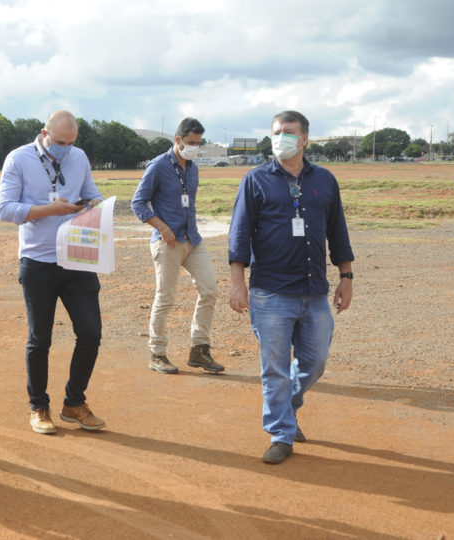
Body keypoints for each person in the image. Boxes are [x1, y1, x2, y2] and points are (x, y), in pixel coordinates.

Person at [228, 110, 354, 465]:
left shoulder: (325, 180)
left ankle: (287, 407)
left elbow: (338, 232)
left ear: (304, 139)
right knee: (275, 367)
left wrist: (346, 277)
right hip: (270, 293)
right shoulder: (255, 180)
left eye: (287, 132)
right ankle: (281, 433)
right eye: (275, 132)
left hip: (314, 292)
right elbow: (239, 235)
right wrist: (238, 283)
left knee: (315, 363)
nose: (279, 137)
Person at [0, 110, 106, 435]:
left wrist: (96, 204)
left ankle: (74, 403)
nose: (65, 149)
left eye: (71, 143)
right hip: (38, 261)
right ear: (44, 133)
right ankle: (38, 408)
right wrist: (49, 211)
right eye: (59, 142)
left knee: (90, 333)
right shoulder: (18, 160)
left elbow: (91, 191)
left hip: (76, 256)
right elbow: (4, 209)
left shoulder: (79, 157)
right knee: (40, 338)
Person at [131, 117, 224, 375]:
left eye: (198, 143)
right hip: (167, 242)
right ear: (178, 139)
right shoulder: (158, 166)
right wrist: (161, 227)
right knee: (166, 297)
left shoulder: (192, 167)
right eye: (190, 142)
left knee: (210, 289)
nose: (194, 147)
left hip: (192, 240)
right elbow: (138, 203)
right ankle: (157, 353)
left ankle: (199, 349)